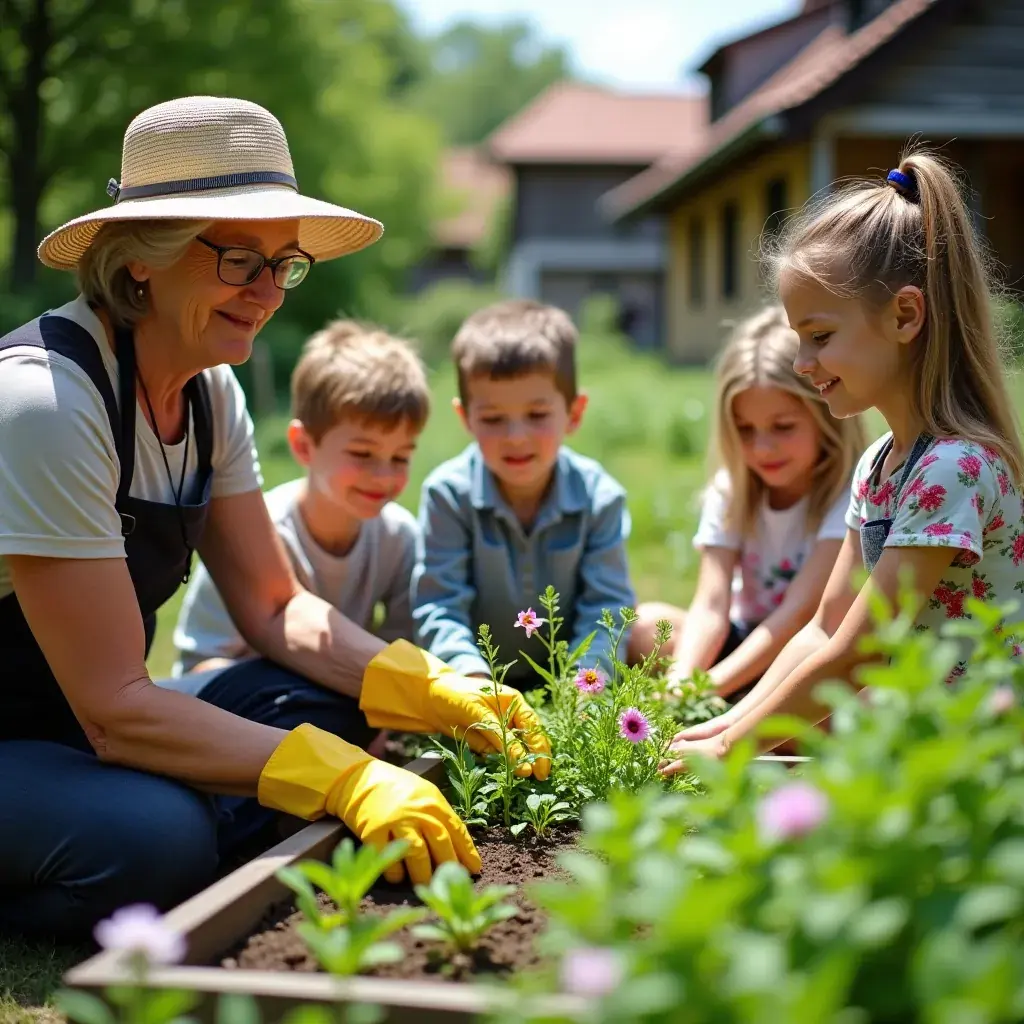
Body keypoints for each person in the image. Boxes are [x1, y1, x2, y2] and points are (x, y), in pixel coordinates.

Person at [0, 95, 549, 943]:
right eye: (237, 260)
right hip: (41, 728)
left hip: (72, 726)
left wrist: (427, 691)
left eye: (282, 264)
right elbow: (115, 708)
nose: (266, 293)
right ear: (143, 257)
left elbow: (274, 606)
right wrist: (340, 781)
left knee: (320, 704)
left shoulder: (210, 395)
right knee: (157, 840)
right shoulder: (47, 402)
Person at [661, 149, 1024, 774]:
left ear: (905, 315)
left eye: (820, 336)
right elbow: (822, 630)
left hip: (981, 746)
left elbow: (859, 650)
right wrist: (724, 724)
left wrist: (729, 749)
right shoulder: (881, 464)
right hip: (914, 728)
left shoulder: (953, 468)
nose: (803, 362)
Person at [627, 305, 868, 701]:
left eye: (783, 427)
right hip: (742, 641)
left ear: (827, 417)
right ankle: (746, 707)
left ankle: (749, 710)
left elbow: (799, 614)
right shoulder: (732, 490)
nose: (763, 447)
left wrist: (704, 690)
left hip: (805, 651)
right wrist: (681, 683)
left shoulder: (849, 494)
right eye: (745, 430)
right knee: (647, 626)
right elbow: (711, 603)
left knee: (849, 698)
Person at [172, 319, 426, 677]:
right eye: (363, 454)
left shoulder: (399, 538)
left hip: (339, 689)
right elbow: (201, 664)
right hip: (246, 698)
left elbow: (403, 652)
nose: (384, 475)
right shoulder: (261, 533)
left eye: (400, 457)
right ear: (304, 446)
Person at [412, 298, 636, 684]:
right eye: (493, 418)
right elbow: (439, 607)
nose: (516, 438)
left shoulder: (600, 497)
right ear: (465, 418)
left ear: (574, 413)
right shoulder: (448, 495)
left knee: (659, 629)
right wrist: (473, 679)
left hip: (569, 685)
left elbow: (607, 607)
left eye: (537, 415)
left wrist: (588, 682)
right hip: (476, 682)